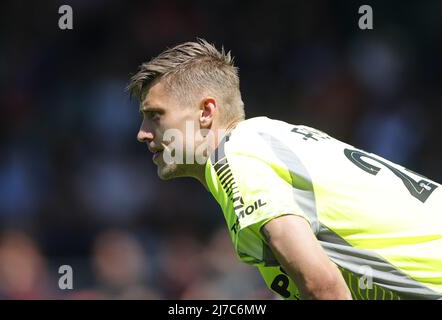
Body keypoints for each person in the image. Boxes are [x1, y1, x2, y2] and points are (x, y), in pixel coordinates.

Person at [127, 39, 442, 300]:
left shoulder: (237, 157)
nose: (142, 132)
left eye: (155, 115)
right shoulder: (266, 140)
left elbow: (324, 287)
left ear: (206, 112)